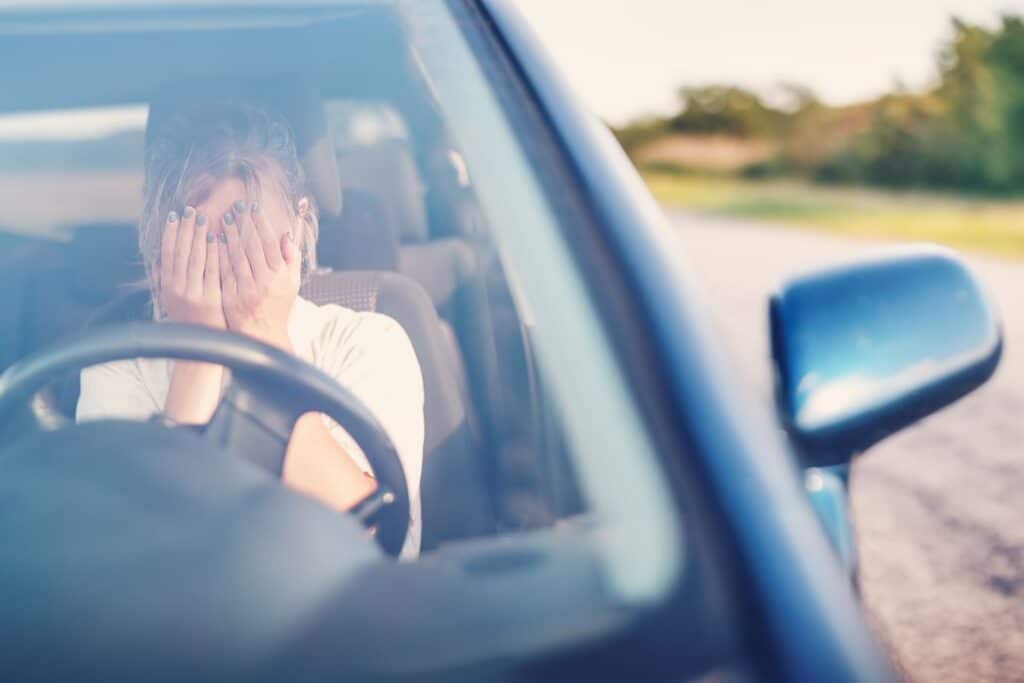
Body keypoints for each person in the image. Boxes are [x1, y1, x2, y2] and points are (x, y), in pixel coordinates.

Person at [77, 100, 425, 557]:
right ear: (161, 252)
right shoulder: (120, 367)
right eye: (203, 237)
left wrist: (262, 336)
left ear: (298, 230)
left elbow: (377, 542)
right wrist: (198, 352)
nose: (228, 260)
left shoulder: (367, 343)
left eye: (248, 234)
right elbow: (136, 558)